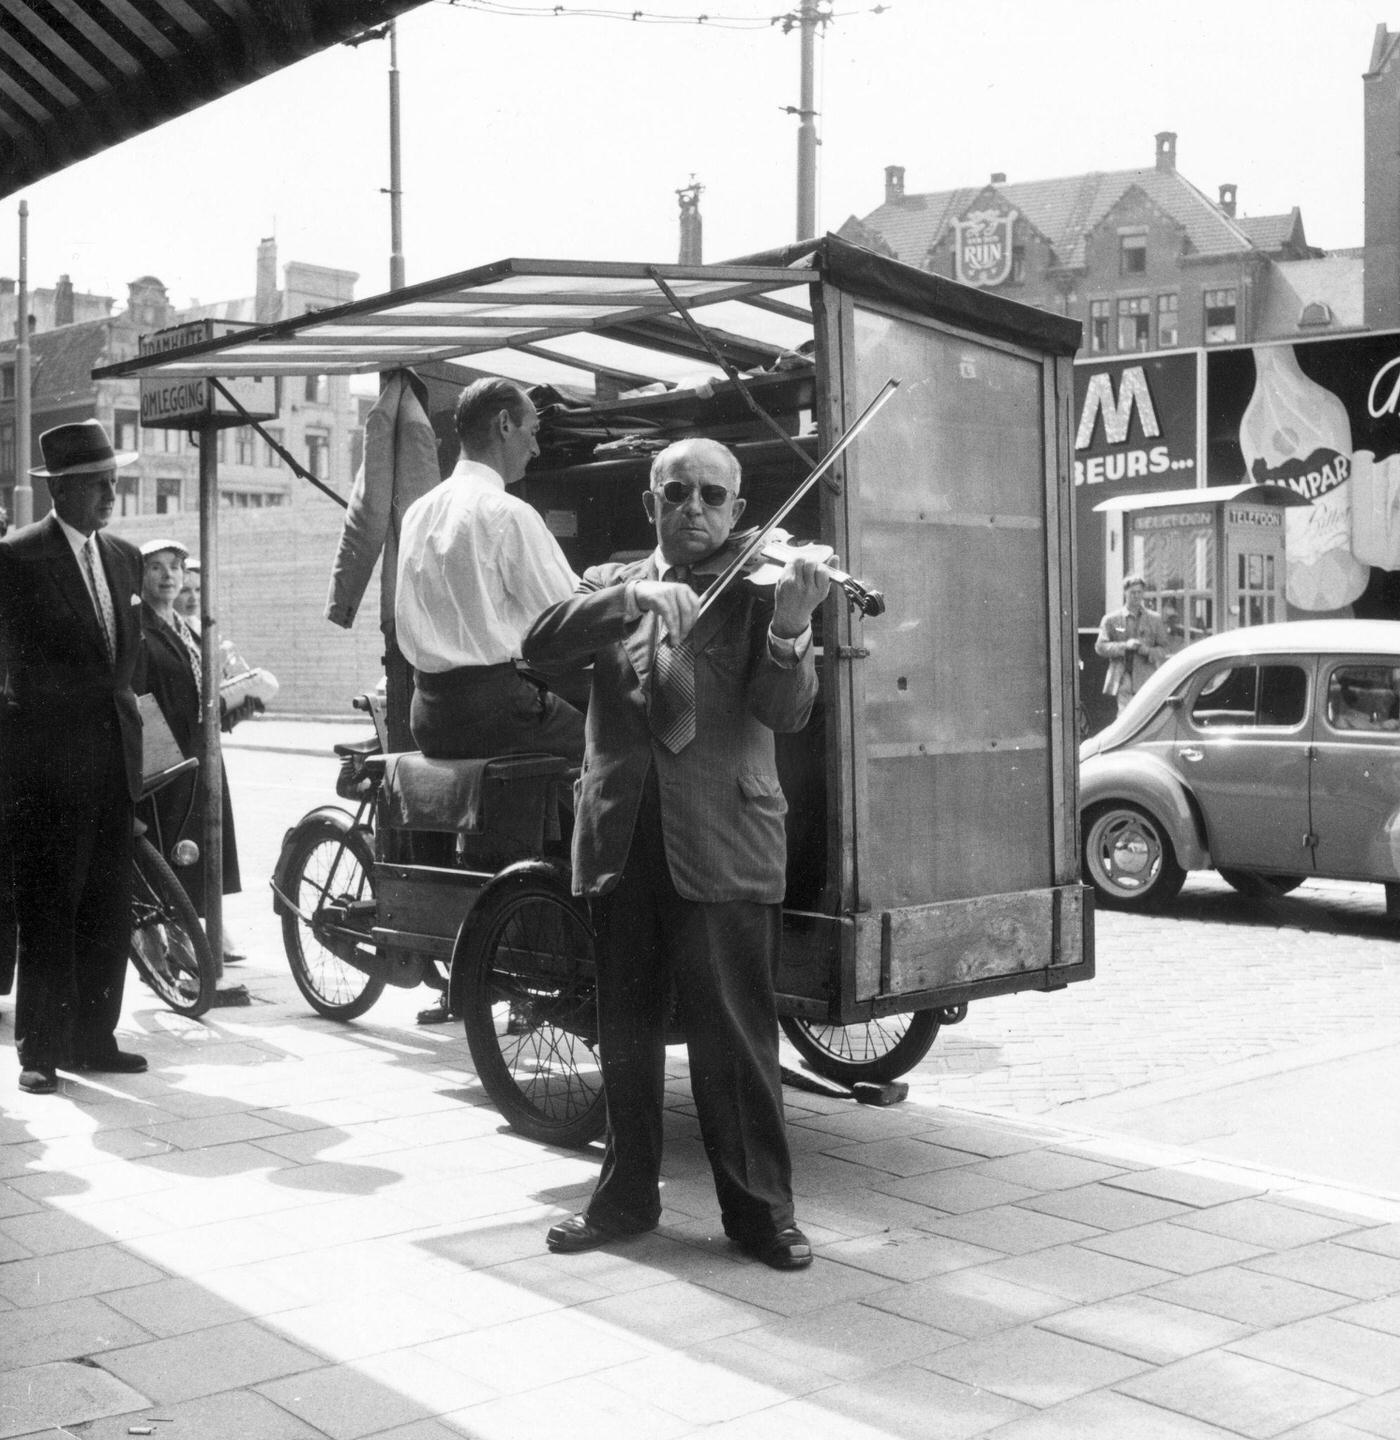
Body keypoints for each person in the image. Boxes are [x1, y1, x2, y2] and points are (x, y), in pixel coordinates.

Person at [523, 437, 828, 1271]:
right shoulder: (611, 585)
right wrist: (635, 603)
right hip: (623, 837)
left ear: (737, 508)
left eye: (714, 496)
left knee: (735, 1038)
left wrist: (793, 629)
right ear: (650, 501)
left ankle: (762, 1213)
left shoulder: (764, 589)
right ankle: (624, 1201)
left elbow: (788, 711)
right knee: (623, 1031)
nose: (696, 508)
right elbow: (538, 644)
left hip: (726, 838)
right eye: (678, 492)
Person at [0, 420, 146, 1093]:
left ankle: (95, 1037)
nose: (110, 494)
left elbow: (128, 662)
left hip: (114, 759)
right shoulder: (18, 558)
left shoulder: (123, 556)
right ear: (59, 489)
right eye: (96, 484)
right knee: (50, 904)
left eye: (113, 480)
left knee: (107, 904)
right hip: (49, 766)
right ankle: (40, 1049)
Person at [395, 377, 584, 765]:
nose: (534, 448)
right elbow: (568, 621)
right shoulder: (508, 513)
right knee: (612, 752)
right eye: (532, 432)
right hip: (494, 715)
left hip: (428, 715)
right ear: (503, 425)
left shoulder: (418, 511)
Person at [134, 540, 243, 958]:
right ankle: (155, 936)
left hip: (196, 751)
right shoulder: (140, 626)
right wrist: (159, 762)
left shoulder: (181, 626)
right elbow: (139, 694)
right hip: (164, 754)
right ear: (141, 576)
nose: (168, 576)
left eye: (174, 568)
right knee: (167, 843)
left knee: (193, 845)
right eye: (157, 568)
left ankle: (186, 935)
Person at [1096, 573, 1169, 716]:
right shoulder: (1111, 620)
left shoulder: (1154, 619)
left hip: (1147, 677)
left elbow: (1165, 649)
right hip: (1123, 676)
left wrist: (1147, 650)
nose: (1136, 596)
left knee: (1147, 716)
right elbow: (1100, 647)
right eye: (1132, 592)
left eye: (1139, 592)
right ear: (1125, 593)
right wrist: (1124, 646)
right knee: (1125, 718)